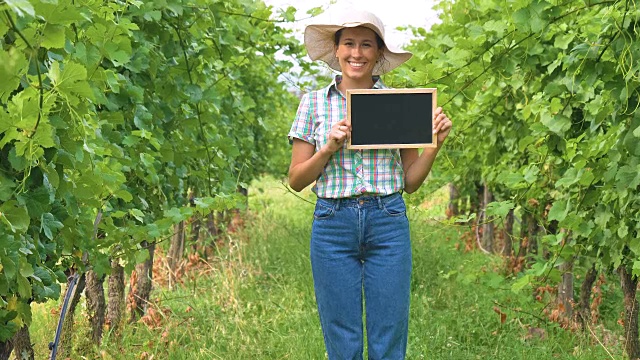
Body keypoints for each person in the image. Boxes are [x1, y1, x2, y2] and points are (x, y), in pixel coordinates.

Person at [287, 9, 452, 360]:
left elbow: (410, 183)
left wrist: (433, 145)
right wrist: (328, 148)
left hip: (387, 221)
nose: (356, 53)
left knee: (389, 333)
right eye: (348, 43)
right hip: (332, 224)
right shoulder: (313, 103)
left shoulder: (399, 106)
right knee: (341, 335)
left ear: (378, 53)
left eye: (366, 45)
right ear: (336, 50)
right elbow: (296, 179)